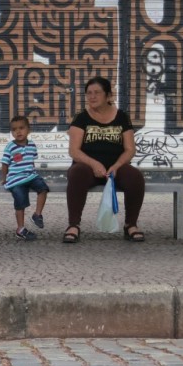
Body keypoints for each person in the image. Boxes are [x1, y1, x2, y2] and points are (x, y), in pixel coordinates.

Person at [64, 76, 145, 243]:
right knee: (76, 173)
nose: (92, 97)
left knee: (135, 177)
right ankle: (73, 225)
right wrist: (94, 163)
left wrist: (116, 166)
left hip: (116, 167)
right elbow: (74, 151)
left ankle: (130, 225)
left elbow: (130, 149)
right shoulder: (81, 118)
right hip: (87, 166)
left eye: (97, 93)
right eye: (89, 93)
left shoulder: (122, 117)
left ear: (108, 96)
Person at [1, 115, 49, 241]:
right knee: (20, 201)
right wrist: (4, 178)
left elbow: (31, 161)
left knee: (43, 188)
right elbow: (5, 163)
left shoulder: (32, 145)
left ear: (28, 129)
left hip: (30, 176)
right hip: (16, 179)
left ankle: (37, 215)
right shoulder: (10, 147)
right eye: (14, 129)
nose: (18, 131)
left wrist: (33, 172)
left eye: (21, 128)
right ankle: (20, 229)